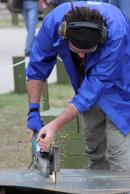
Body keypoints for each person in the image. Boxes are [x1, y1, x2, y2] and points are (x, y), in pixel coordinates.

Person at [26, 1, 130, 172]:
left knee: (120, 157)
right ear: (64, 33)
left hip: (121, 85)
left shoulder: (116, 31)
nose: (81, 55)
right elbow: (37, 69)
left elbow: (95, 87)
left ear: (102, 36)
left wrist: (54, 125)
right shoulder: (53, 24)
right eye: (76, 50)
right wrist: (33, 112)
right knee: (95, 150)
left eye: (88, 51)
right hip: (86, 84)